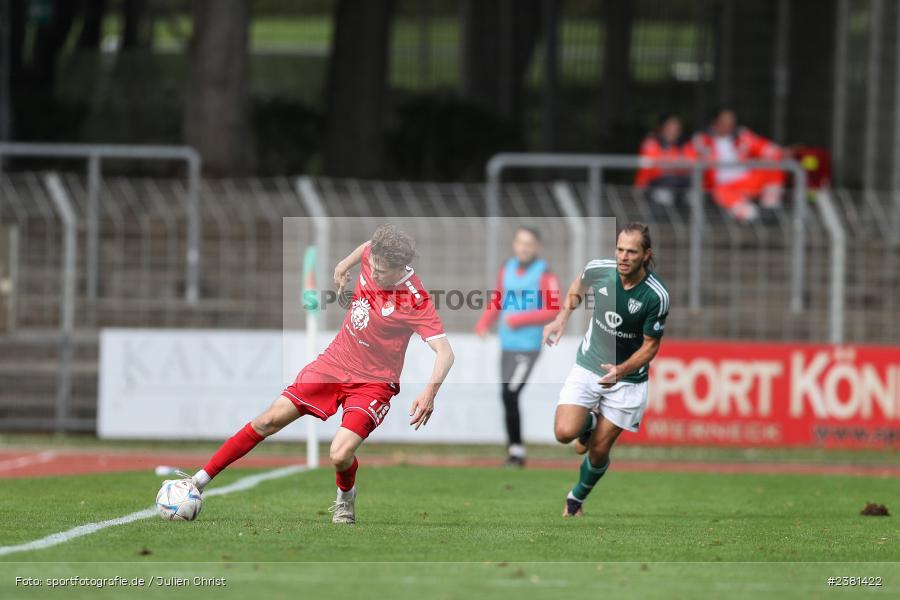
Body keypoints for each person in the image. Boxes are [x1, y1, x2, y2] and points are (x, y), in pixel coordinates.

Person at [169, 225, 455, 524]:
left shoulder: (415, 299)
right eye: (372, 266)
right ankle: (198, 482)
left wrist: (429, 393)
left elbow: (446, 352)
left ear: (400, 269)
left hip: (373, 384)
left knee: (339, 454)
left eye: (381, 271)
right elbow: (367, 246)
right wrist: (344, 265)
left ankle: (346, 497)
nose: (373, 272)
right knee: (267, 420)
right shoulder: (375, 254)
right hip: (334, 363)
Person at [542, 222, 669, 517]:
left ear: (646, 255)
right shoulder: (599, 270)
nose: (623, 257)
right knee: (564, 434)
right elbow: (577, 287)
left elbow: (650, 347)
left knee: (599, 452)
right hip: (589, 364)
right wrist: (561, 319)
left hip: (628, 380)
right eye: (620, 249)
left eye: (632, 252)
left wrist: (621, 370)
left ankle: (575, 498)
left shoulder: (655, 296)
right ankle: (586, 427)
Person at [475, 226, 560, 467]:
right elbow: (498, 299)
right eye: (520, 242)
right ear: (514, 244)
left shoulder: (545, 273)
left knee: (509, 393)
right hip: (507, 345)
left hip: (529, 346)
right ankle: (516, 450)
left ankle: (516, 451)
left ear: (537, 247)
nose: (524, 247)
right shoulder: (507, 267)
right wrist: (484, 323)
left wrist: (519, 319)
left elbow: (553, 308)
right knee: (508, 397)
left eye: (529, 243)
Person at [690, 107, 785, 222]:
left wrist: (773, 154)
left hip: (746, 179)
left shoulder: (742, 136)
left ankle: (770, 207)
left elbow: (770, 150)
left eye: (731, 121)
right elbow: (693, 159)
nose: (728, 125)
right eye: (724, 121)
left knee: (773, 166)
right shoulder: (702, 140)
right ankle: (754, 215)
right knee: (720, 192)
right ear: (714, 122)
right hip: (723, 185)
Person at [634, 113, 694, 206]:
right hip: (653, 185)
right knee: (664, 192)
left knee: (692, 189)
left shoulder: (685, 145)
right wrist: (677, 165)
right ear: (662, 127)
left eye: (676, 127)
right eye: (670, 126)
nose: (673, 130)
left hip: (679, 184)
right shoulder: (652, 142)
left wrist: (672, 165)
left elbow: (692, 165)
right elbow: (652, 168)